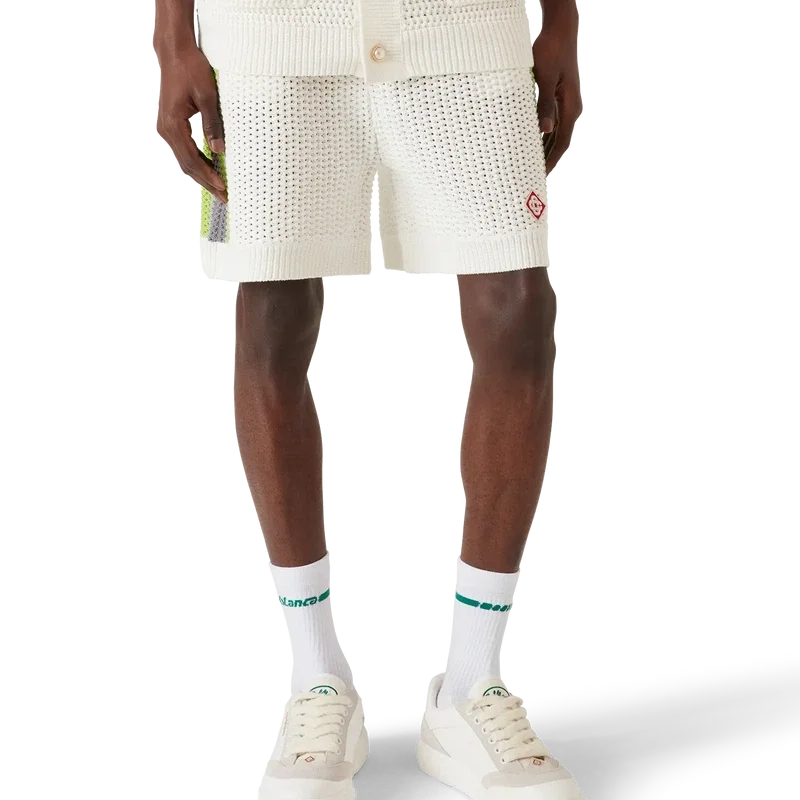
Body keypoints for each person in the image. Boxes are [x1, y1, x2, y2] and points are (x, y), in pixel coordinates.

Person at [154, 1, 584, 798]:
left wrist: (562, 23)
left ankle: (471, 684)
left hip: (465, 30)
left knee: (519, 313)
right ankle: (316, 678)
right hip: (270, 42)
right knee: (270, 320)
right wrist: (174, 39)